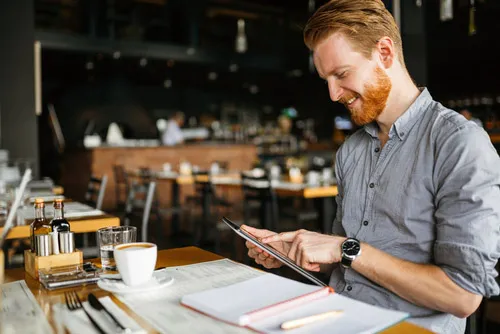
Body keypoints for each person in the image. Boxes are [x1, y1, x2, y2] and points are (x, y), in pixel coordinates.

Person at [242, 1, 500, 333]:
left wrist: (344, 248)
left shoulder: (460, 144)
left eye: (342, 74)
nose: (334, 94)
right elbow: (345, 260)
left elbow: (463, 296)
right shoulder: (351, 151)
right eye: (327, 80)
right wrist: (294, 250)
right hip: (334, 317)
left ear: (385, 53)